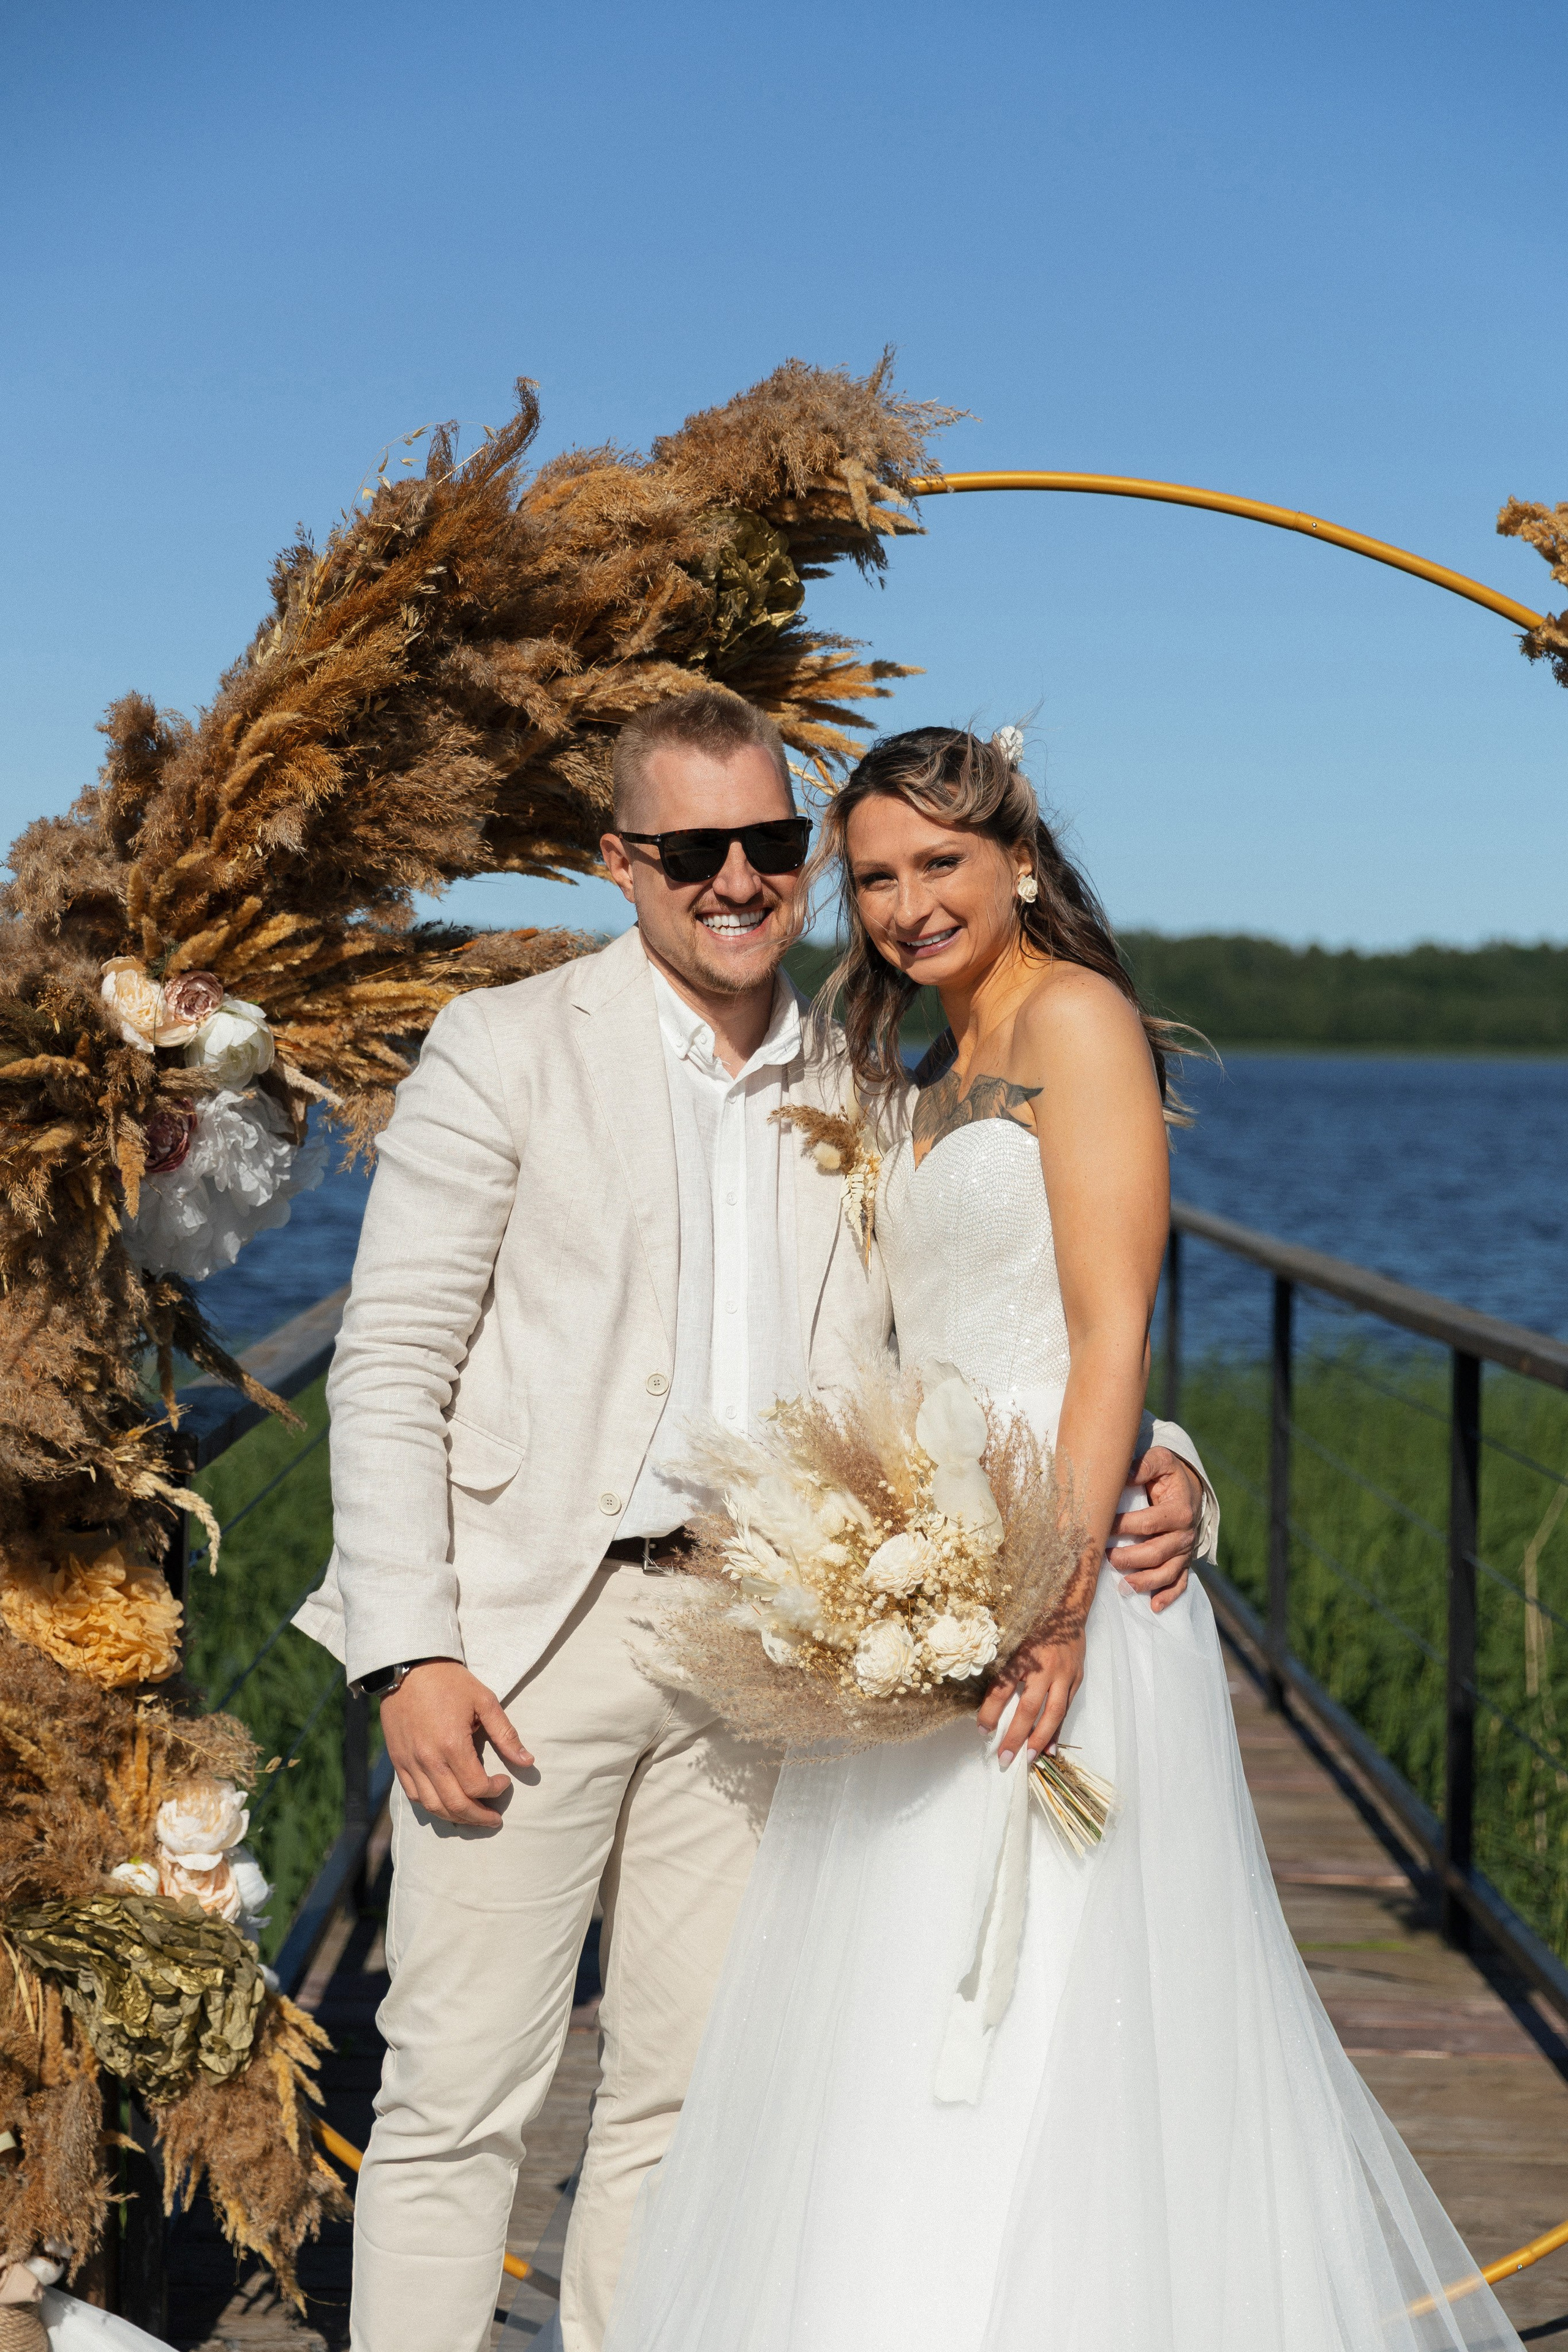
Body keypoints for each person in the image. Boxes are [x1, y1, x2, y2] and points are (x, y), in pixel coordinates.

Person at [295, 691, 1213, 2352]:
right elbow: (392, 1364)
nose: (738, 880)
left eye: (772, 846)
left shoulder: (872, 1080)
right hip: (521, 1648)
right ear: (619, 861)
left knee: (687, 2105)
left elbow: (998, 1329)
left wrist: (1173, 1464)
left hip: (765, 1655)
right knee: (456, 2104)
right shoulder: (504, 1048)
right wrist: (407, 1647)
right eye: (694, 849)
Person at [601, 726, 1528, 2352]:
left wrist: (1062, 1596)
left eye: (938, 865)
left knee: (1062, 1994)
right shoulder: (923, 1059)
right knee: (908, 1983)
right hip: (934, 1561)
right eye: (876, 876)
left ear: (1018, 857)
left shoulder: (1076, 1024)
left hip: (1053, 1567)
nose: (904, 904)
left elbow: (1109, 1338)